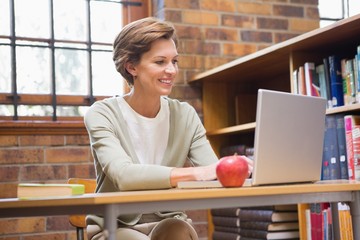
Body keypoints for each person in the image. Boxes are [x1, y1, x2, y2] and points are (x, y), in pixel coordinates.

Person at [84, 17, 253, 240]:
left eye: (174, 61)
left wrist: (242, 169)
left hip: (169, 222)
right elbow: (123, 175)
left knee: (178, 231)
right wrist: (196, 173)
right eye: (160, 62)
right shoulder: (102, 114)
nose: (171, 70)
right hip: (115, 226)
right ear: (131, 66)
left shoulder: (184, 115)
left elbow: (213, 172)